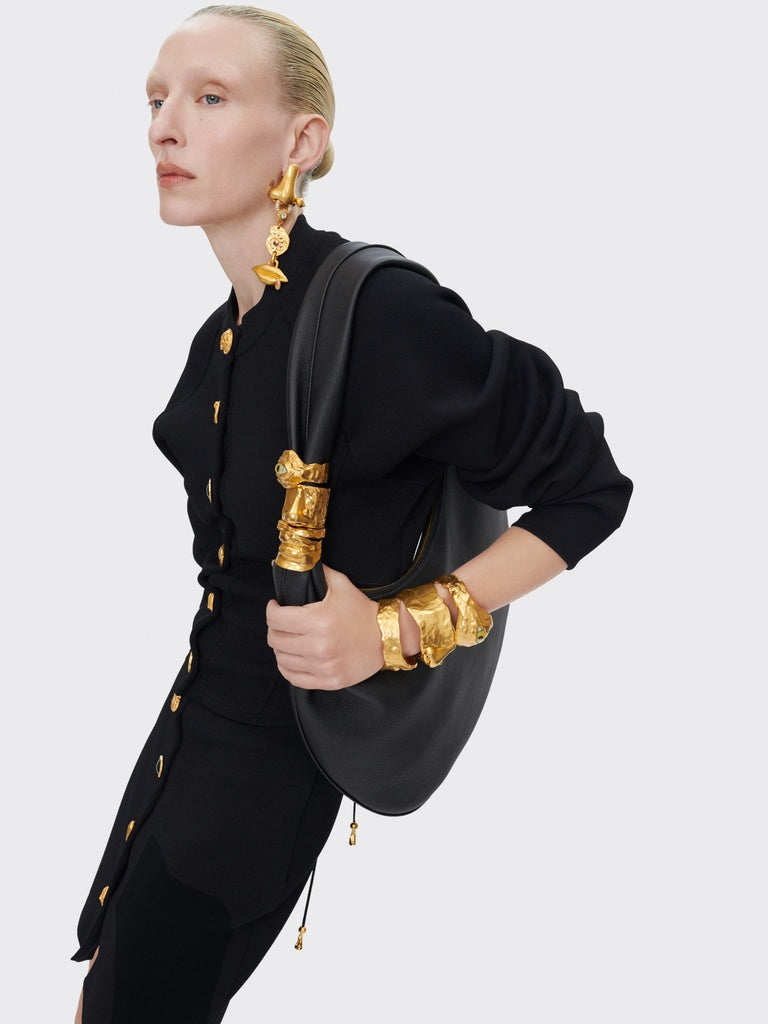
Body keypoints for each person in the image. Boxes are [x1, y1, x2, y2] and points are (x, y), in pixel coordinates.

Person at [72, 5, 633, 1022]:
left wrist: (396, 628)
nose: (164, 127)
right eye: (155, 100)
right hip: (184, 749)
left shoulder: (379, 313)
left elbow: (589, 486)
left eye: (209, 98)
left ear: (302, 141)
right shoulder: (222, 337)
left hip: (260, 787)